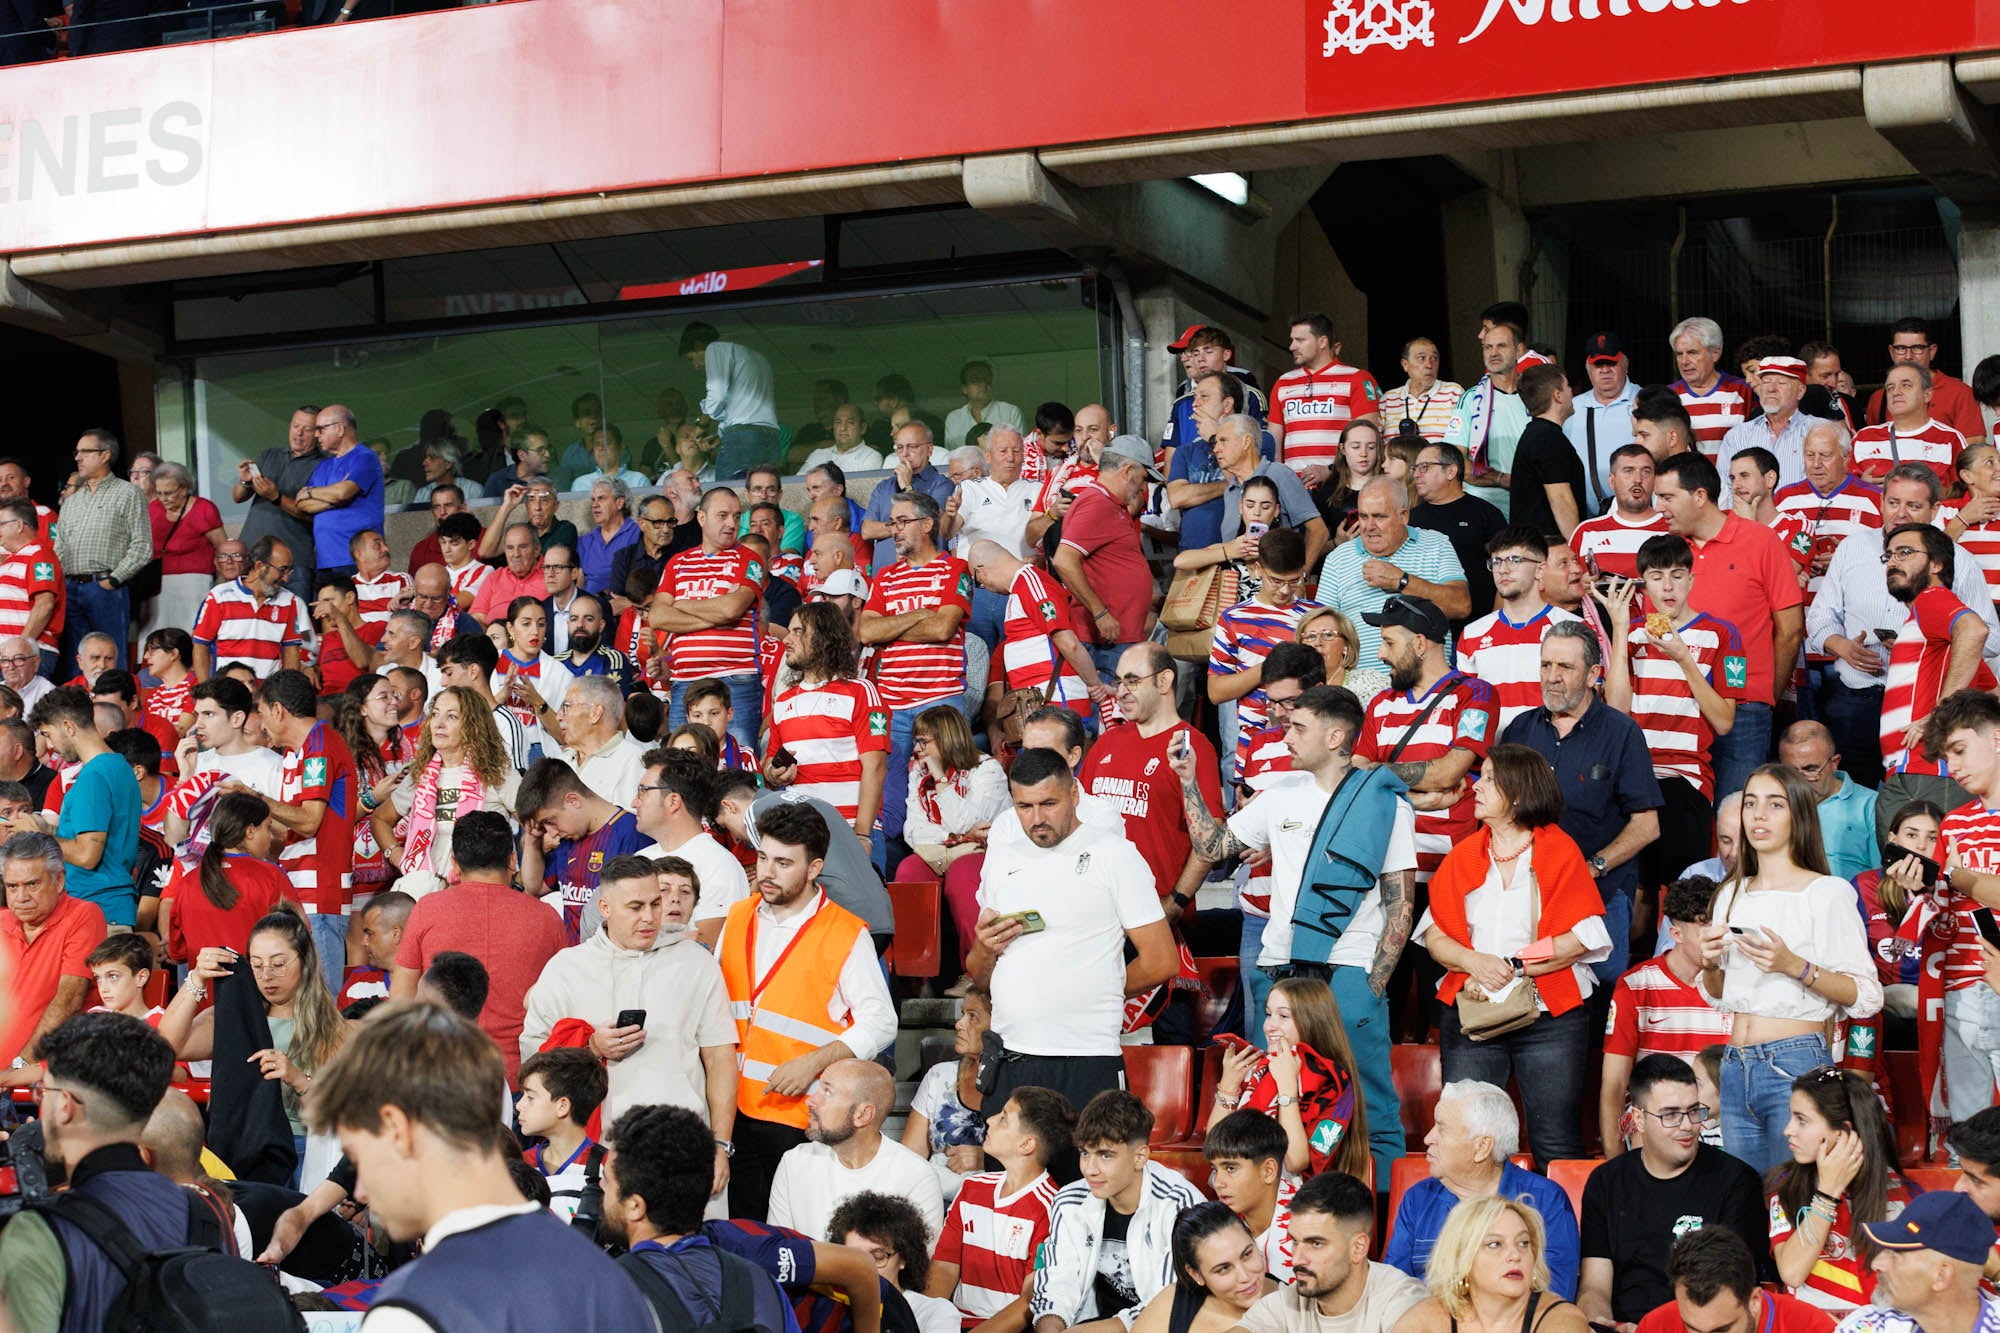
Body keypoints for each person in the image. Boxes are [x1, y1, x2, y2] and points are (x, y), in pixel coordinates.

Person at [1179, 686, 1410, 1185]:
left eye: (1298, 727)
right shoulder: (1277, 794)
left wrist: (1374, 982)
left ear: (1335, 735)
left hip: (1350, 969)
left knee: (1371, 1101)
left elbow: (1400, 902)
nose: (1286, 736)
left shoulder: (1384, 802)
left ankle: (1383, 1218)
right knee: (1275, 1094)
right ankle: (1278, 1217)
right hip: (1279, 967)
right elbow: (1213, 845)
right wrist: (1187, 782)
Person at [308, 1002, 657, 1330]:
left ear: (400, 1132)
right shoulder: (610, 1281)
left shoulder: (411, 1310)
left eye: (363, 1158)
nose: (361, 1191)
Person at [1414, 744, 1612, 1168]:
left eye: (1487, 778)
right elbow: (1435, 938)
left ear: (1518, 793)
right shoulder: (1463, 855)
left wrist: (1510, 968)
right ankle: (1474, 1233)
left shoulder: (1560, 852)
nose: (1476, 786)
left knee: (1555, 1136)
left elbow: (1579, 939)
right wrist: (1474, 964)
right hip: (1473, 1008)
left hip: (1550, 1015)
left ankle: (1557, 1232)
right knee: (1468, 1135)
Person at [715, 799, 897, 1225]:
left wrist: (815, 1061)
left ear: (814, 868)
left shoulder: (846, 932)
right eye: (763, 858)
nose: (767, 873)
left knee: (794, 1237)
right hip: (732, 1110)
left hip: (800, 1117)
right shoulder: (739, 915)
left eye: (783, 863)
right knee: (743, 1233)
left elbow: (881, 1020)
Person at [1696, 764, 1882, 1172]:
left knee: (1796, 1193)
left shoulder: (1826, 892)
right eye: (1750, 803)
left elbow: (1865, 994)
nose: (1758, 815)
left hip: (1794, 1061)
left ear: (1798, 814)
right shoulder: (1730, 892)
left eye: (1774, 804)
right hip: (1733, 1062)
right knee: (1747, 1200)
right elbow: (1719, 989)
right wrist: (1709, 962)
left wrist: (1794, 966)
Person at [971, 745, 1177, 1111]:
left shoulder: (1115, 855)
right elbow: (979, 974)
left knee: (1087, 1170)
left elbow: (1161, 961)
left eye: (1048, 804)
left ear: (1075, 794)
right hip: (1010, 1058)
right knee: (1006, 1171)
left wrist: (1098, 992)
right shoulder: (1003, 858)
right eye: (1024, 807)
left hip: (1086, 1057)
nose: (1037, 818)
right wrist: (984, 949)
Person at [0, 1012, 225, 1333]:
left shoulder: (39, 1231)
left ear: (65, 1105)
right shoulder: (205, 1212)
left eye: (42, 1092)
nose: (40, 1103)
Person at [1808, 465, 2000, 792]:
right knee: (1854, 799)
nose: (1900, 513)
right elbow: (1818, 616)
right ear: (1880, 502)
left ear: (1935, 509)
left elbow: (1989, 637)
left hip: (1924, 714)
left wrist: (1927, 648)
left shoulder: (1959, 560)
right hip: (1855, 698)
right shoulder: (1852, 548)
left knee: (1914, 808)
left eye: (1913, 506)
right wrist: (1839, 644)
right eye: (1893, 502)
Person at [1502, 621, 1663, 978]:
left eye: (1565, 667)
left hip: (1598, 899)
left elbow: (1647, 825)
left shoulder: (1622, 733)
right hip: (1524, 899)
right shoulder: (1519, 731)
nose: (1552, 677)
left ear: (1593, 674)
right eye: (1546, 665)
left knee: (1596, 1005)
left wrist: (1594, 867)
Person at [1654, 451, 1805, 801]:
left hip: (1744, 708)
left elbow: (1791, 629)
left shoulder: (1762, 542)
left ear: (1700, 496)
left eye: (1667, 497)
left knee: (1736, 814)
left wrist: (1764, 693)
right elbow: (1658, 627)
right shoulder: (1667, 551)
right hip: (1679, 707)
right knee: (1685, 813)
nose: (1659, 506)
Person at [1577, 1054, 1769, 1328]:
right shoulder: (1606, 1181)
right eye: (1671, 1115)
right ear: (1638, 1119)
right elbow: (1594, 1285)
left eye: (1694, 1111)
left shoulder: (1736, 1181)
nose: (1688, 1125)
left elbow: (1728, 1295)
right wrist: (1601, 1323)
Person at [1352, 595, 1498, 889]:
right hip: (1384, 872)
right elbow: (1352, 779)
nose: (1380, 653)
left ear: (1420, 644)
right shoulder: (1381, 703)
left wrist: (1377, 772)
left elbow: (1446, 774)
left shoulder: (1475, 694)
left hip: (1453, 876)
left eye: (1389, 642)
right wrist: (1418, 799)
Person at [1028, 1088, 1204, 1331]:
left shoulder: (1178, 1204)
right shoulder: (1069, 1200)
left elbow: (1168, 1305)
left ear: (1140, 1157)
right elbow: (1056, 1285)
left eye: (1105, 1156)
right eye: (1084, 1153)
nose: (1090, 1169)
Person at [857, 489, 971, 852]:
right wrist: (922, 614)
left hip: (940, 702)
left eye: (903, 522)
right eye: (892, 522)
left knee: (944, 790)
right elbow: (866, 632)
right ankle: (890, 876)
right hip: (891, 705)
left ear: (927, 524)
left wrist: (893, 625)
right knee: (887, 799)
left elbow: (943, 629)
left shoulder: (956, 568)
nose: (895, 530)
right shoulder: (886, 576)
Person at [1082, 642, 1226, 920]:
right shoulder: (1107, 742)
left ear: (1164, 681)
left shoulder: (1190, 746)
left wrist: (1176, 902)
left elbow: (1210, 836)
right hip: (1097, 912)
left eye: (1133, 681)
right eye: (1119, 681)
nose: (1121, 691)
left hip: (1155, 916)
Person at [1598, 877, 1736, 1156]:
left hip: (1719, 1120)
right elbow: (1613, 1085)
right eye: (1704, 927)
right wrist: (1615, 1168)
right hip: (1655, 1115)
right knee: (1653, 1119)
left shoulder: (1739, 985)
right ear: (1676, 934)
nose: (1716, 937)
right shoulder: (1636, 985)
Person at [1762, 1065, 1912, 1315]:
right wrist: (1828, 1193)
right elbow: (1792, 1273)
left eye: (1801, 1120)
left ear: (1845, 1133)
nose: (1788, 1130)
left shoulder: (1901, 1194)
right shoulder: (1786, 1185)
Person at [244, 669, 357, 997]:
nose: (262, 724)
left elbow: (308, 821)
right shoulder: (295, 755)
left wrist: (256, 799)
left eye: (262, 713)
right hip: (298, 892)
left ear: (278, 711)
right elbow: (289, 830)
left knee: (321, 1003)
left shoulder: (320, 745)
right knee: (302, 1003)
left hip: (321, 890)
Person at [1207, 976, 1375, 1187]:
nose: (1269, 1026)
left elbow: (1296, 1161)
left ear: (1312, 1020)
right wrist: (1229, 1087)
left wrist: (1287, 1089)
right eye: (1268, 1014)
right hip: (1247, 1195)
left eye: (1283, 1016)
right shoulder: (1260, 1068)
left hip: (1310, 1201)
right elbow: (1215, 1147)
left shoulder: (1335, 1082)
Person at [1878, 524, 1996, 814]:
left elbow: (1974, 629)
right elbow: (1993, 695)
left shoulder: (1931, 598)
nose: (1893, 561)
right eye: (1889, 555)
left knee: (1908, 861)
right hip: (1931, 775)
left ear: (1936, 563)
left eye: (1905, 552)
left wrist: (1939, 714)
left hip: (1923, 773)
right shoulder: (1942, 641)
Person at [931, 1084, 1070, 1329]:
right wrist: (926, 1321)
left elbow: (1031, 1299)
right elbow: (944, 1265)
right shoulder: (972, 1188)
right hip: (954, 1323)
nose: (991, 1120)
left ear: (1027, 1145)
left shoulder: (1053, 1208)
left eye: (1004, 1118)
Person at [1229, 1169, 1426, 1333]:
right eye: (1294, 1241)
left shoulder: (1402, 1300)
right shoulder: (1288, 1301)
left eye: (1315, 1244)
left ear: (1358, 1247)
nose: (1296, 1259)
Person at [769, 1057, 942, 1242]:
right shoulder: (794, 1161)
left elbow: (919, 1266)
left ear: (862, 1115)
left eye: (827, 1092)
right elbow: (778, 1254)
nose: (811, 1101)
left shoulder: (917, 1177)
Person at [376, 685, 520, 898]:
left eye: (452, 716)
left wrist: (520, 879)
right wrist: (396, 854)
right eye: (435, 715)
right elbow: (379, 819)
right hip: (424, 895)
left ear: (473, 726)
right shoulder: (420, 774)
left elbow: (536, 826)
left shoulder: (498, 773)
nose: (439, 724)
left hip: (480, 896)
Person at [766, 602, 890, 842]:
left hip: (850, 830)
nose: (786, 640)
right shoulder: (783, 701)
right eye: (789, 631)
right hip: (801, 835)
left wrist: (863, 835)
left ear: (824, 638)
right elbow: (770, 761)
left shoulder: (861, 692)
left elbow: (875, 768)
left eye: (798, 631)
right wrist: (773, 773)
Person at [1208, 526, 1324, 780]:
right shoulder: (1233, 619)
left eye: (1294, 581)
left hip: (1309, 745)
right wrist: (1272, 665)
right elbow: (1216, 692)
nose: (1285, 590)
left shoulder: (1317, 616)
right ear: (1259, 569)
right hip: (1252, 744)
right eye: (1276, 581)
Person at [22, 685, 141, 929]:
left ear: (68, 726)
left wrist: (41, 833)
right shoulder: (119, 766)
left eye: (47, 734)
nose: (50, 745)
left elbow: (87, 855)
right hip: (109, 907)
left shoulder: (93, 776)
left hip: (97, 909)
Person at [1318, 478, 1472, 666]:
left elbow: (1461, 606)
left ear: (1403, 516)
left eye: (1380, 516)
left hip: (1427, 682)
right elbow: (1321, 629)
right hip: (1361, 684)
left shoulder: (1436, 544)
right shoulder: (1338, 558)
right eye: (1363, 516)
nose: (1369, 526)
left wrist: (1402, 581)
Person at [967, 538, 1109, 735]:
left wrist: (1095, 685)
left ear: (980, 572)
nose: (985, 587)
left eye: (978, 583)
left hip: (1058, 709)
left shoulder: (1030, 583)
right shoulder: (1021, 588)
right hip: (1044, 710)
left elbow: (1069, 643)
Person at [1396, 1193, 1590, 1333]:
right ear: (1462, 1258)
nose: (1515, 1255)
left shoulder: (1562, 1320)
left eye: (1523, 1243)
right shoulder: (1428, 1319)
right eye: (1495, 1244)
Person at [1052, 437, 1162, 675]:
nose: (1143, 487)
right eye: (1143, 479)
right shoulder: (1096, 503)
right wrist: (1099, 612)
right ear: (1128, 471)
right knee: (1111, 710)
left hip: (1116, 637)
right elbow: (1064, 559)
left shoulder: (1109, 503)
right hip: (1106, 641)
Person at [0, 831, 107, 1067]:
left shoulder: (83, 915)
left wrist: (19, 1066)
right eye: (12, 886)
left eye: (32, 884)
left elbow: (69, 1000)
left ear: (59, 880)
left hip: (45, 1079)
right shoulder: (1, 921)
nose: (21, 897)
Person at [1460, 525, 1583, 730]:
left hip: (1549, 756)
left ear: (1540, 569)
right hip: (1493, 757)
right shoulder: (1472, 634)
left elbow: (1584, 704)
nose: (1503, 569)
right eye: (1497, 561)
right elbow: (1469, 709)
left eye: (1515, 560)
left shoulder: (1574, 629)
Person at [516, 755, 647, 944]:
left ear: (573, 800)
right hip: (575, 962)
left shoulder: (632, 834)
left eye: (550, 821)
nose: (551, 833)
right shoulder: (568, 841)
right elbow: (533, 888)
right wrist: (532, 840)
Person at [55, 429, 151, 677]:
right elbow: (59, 547)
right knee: (75, 662)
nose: (78, 457)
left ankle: (114, 711)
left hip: (105, 588)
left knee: (110, 659)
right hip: (71, 589)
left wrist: (113, 580)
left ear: (105, 455)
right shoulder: (72, 501)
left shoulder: (128, 493)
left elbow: (142, 546)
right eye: (77, 452)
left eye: (85, 451)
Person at [159, 789, 293, 964]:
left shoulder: (187, 882)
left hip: (202, 989)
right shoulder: (272, 876)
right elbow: (297, 937)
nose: (271, 837)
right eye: (268, 828)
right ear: (250, 831)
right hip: (258, 988)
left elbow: (178, 952)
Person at [1632, 1227, 1835, 1333]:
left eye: (1721, 1330)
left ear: (1754, 1300)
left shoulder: (1811, 1327)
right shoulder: (1656, 1326)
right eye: (1692, 1329)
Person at [1268, 313, 1382, 491]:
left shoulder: (1357, 378)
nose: (1292, 346)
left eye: (1300, 340)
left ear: (1322, 342)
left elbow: (1369, 437)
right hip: (1292, 490)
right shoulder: (1283, 382)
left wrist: (1332, 470)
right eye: (1292, 340)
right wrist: (1278, 483)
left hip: (1340, 486)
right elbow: (1274, 439)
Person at [1126, 1202, 1277, 1333]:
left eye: (1247, 1254)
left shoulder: (1292, 1305)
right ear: (1195, 1274)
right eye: (1224, 1269)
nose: (1245, 1277)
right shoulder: (1173, 1304)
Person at [830, 1191, 963, 1333]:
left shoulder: (934, 1312)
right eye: (854, 1258)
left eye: (877, 1257)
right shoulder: (829, 1309)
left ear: (903, 1259)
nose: (864, 1268)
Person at [233, 405, 323, 602]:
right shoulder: (269, 455)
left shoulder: (323, 466)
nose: (298, 433)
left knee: (294, 623)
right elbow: (238, 497)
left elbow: (313, 516)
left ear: (318, 434)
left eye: (306, 429)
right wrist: (245, 480)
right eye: (295, 426)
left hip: (293, 563)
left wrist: (276, 497)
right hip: (252, 556)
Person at [191, 536, 305, 682]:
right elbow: (200, 645)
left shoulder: (289, 601)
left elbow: (291, 651)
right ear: (259, 567)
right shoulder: (220, 596)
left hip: (267, 697)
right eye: (282, 570)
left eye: (289, 571)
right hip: (227, 692)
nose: (286, 578)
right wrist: (206, 691)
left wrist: (287, 692)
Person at [1775, 722, 1878, 884]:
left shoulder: (1871, 805)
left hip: (1850, 904)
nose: (1801, 781)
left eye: (1810, 769)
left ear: (1834, 763)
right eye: (1791, 772)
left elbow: (1882, 879)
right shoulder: (1772, 804)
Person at [294, 405, 384, 587]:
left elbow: (344, 492)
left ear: (340, 428)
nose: (316, 435)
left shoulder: (365, 457)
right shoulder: (323, 466)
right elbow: (302, 503)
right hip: (324, 561)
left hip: (357, 560)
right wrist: (335, 500)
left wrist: (312, 492)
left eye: (321, 429)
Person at [1854, 365, 1972, 490]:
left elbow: (1965, 494)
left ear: (1927, 395)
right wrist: (1860, 486)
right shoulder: (1863, 438)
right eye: (1890, 388)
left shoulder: (1950, 439)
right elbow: (1840, 489)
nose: (1896, 392)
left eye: (1906, 385)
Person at [1511, 362, 1588, 541]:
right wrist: (1577, 550)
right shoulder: (1548, 439)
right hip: (1549, 550)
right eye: (1568, 386)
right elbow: (1561, 500)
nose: (1572, 392)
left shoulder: (1538, 434)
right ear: (1558, 395)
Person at [1670, 317, 1757, 460]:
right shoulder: (1668, 396)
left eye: (1692, 352)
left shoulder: (1744, 390)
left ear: (1715, 353)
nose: (1684, 361)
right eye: (1679, 354)